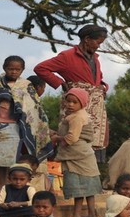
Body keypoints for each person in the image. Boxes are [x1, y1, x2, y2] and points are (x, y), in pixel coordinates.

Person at [34, 24, 110, 161]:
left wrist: (103, 86)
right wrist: (60, 83)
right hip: (75, 104)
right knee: (73, 135)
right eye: (97, 42)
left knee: (92, 139)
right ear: (87, 39)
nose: (98, 46)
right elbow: (41, 68)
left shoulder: (95, 59)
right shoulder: (67, 56)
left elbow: (98, 77)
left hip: (94, 107)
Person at [0, 56, 54, 166]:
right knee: (4, 157)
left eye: (17, 69)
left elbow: (34, 105)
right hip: (4, 123)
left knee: (21, 155)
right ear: (4, 68)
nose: (14, 72)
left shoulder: (26, 84)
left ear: (22, 70)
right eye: (11, 69)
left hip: (23, 123)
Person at [50, 88, 102, 217]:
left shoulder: (76, 117)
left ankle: (79, 215)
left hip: (77, 156)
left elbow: (71, 138)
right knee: (88, 189)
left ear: (82, 103)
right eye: (68, 101)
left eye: (75, 102)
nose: (70, 105)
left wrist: (57, 138)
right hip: (85, 157)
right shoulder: (80, 115)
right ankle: (89, 214)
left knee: (79, 188)